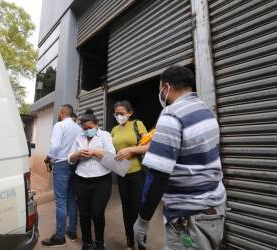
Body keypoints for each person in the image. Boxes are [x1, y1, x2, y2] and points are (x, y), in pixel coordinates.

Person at [134, 65, 227, 250]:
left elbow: (157, 176)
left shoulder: (171, 116)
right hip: (215, 209)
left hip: (189, 217)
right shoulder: (206, 111)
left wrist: (143, 221)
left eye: (160, 88)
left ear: (166, 87)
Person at [68, 109, 115, 250]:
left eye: (90, 128)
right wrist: (78, 154)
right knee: (84, 214)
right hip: (81, 179)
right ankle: (87, 243)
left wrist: (94, 151)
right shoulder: (79, 137)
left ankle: (99, 243)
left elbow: (112, 156)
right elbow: (70, 158)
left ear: (96, 125)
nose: (87, 131)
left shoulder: (105, 135)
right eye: (85, 128)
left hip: (102, 180)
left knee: (97, 212)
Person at [42, 104, 82, 247]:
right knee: (72, 198)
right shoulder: (78, 128)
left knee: (61, 200)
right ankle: (71, 230)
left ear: (64, 113)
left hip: (61, 165)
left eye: (60, 113)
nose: (59, 115)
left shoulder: (59, 125)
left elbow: (55, 146)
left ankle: (59, 237)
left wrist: (48, 158)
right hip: (74, 164)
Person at [111, 101, 148, 250]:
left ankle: (142, 242)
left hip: (137, 172)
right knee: (126, 209)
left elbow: (148, 145)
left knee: (137, 208)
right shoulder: (114, 130)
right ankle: (130, 242)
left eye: (122, 113)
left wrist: (131, 150)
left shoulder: (137, 125)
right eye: (116, 113)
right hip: (121, 173)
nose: (119, 116)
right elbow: (111, 150)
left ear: (130, 113)